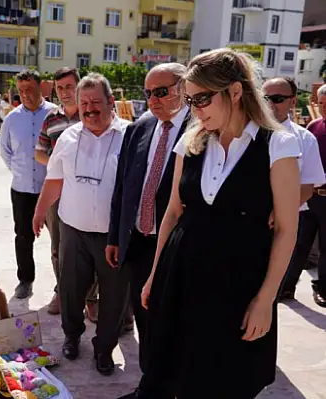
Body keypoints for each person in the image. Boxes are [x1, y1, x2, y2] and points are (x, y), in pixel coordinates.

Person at [137, 48, 300, 398]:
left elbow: (287, 230)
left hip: (237, 282)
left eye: (202, 99)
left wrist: (265, 300)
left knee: (224, 377)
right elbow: (173, 213)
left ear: (236, 92)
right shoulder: (192, 141)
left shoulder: (279, 146)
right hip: (180, 272)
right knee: (172, 368)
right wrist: (155, 274)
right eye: (190, 101)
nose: (195, 110)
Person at [32, 73, 130, 374]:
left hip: (113, 236)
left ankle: (104, 350)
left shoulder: (130, 135)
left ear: (111, 102)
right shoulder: (67, 138)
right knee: (71, 291)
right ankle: (72, 337)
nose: (89, 109)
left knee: (113, 298)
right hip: (73, 230)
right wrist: (38, 213)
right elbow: (54, 179)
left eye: (96, 102)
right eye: (83, 103)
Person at [109, 63, 191, 393]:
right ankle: (151, 383)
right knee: (144, 316)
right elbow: (123, 187)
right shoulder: (140, 128)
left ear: (183, 88)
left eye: (161, 91)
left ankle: (174, 383)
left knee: (175, 319)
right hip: (139, 242)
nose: (153, 100)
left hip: (176, 246)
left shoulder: (202, 130)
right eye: (148, 93)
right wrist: (116, 236)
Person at [0, 69, 57, 299]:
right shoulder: (12, 119)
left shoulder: (54, 114)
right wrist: (20, 172)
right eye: (21, 90)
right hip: (22, 190)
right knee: (23, 237)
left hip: (51, 190)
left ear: (40, 86)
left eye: (30, 90)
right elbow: (5, 151)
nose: (25, 95)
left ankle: (61, 285)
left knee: (59, 240)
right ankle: (25, 280)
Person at [33, 67, 81, 315]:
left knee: (88, 247)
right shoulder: (51, 118)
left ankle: (91, 299)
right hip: (56, 193)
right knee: (58, 247)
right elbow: (38, 152)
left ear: (79, 86)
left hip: (87, 193)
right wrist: (58, 163)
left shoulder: (92, 113)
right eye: (60, 88)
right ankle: (62, 292)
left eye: (69, 87)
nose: (64, 92)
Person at [285, 82, 326, 307]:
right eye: (320, 104)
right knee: (299, 242)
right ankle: (287, 286)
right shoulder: (313, 126)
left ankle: (323, 289)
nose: (323, 108)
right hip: (310, 196)